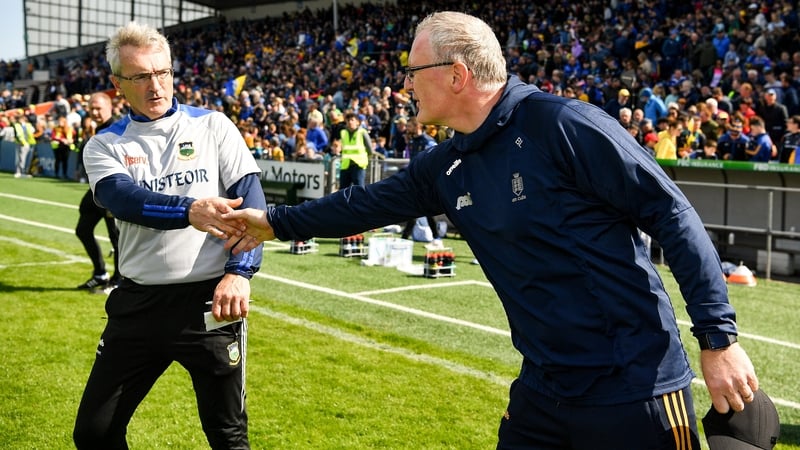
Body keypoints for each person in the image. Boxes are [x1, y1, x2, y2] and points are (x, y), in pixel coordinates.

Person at [221, 11, 759, 449]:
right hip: (541, 389)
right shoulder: (447, 162)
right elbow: (366, 204)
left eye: (413, 71)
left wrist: (718, 339)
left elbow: (673, 214)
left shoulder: (562, 125)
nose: (404, 85)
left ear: (456, 75)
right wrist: (273, 222)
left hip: (633, 386)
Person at [73, 22, 266, 449]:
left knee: (228, 436)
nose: (156, 85)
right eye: (141, 76)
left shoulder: (214, 126)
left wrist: (240, 273)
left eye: (163, 72)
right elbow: (122, 199)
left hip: (210, 302)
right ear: (118, 83)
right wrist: (189, 210)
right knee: (94, 433)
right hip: (137, 305)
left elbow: (253, 206)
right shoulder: (103, 145)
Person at [75, 92, 121, 291]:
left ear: (110, 108)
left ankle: (119, 280)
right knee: (83, 229)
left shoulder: (118, 129)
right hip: (97, 189)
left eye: (98, 108)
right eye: (91, 108)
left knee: (116, 236)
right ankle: (100, 273)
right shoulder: (98, 129)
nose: (94, 112)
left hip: (113, 191)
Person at [335, 111, 373, 188]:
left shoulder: (362, 132)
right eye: (348, 120)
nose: (350, 122)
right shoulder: (343, 133)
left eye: (352, 120)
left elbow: (370, 150)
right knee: (343, 191)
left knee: (359, 190)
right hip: (346, 165)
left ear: (357, 122)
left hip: (358, 165)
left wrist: (364, 159)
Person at [11, 112, 36, 178]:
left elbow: (32, 131)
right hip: (21, 143)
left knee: (27, 158)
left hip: (29, 143)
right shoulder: (17, 125)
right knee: (20, 158)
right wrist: (21, 141)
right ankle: (19, 172)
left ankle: (25, 171)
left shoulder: (28, 125)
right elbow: (18, 134)